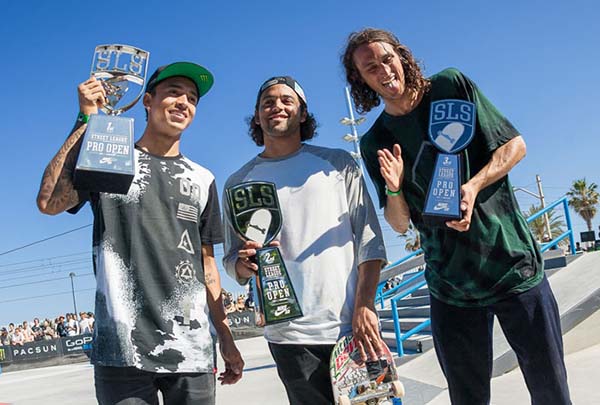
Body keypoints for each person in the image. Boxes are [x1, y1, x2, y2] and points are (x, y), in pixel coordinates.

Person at [342, 28, 571, 404]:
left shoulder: (450, 86)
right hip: (450, 286)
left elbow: (515, 146)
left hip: (512, 267)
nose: (383, 71)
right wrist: (396, 188)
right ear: (361, 80)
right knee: (467, 398)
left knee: (551, 392)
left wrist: (474, 186)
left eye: (387, 59)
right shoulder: (375, 141)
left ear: (401, 57)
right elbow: (399, 223)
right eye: (370, 68)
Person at [37, 61, 243, 404]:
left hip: (190, 349)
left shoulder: (202, 178)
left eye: (192, 98)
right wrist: (85, 120)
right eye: (174, 92)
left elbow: (207, 266)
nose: (184, 103)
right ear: (147, 100)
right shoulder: (110, 160)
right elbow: (49, 202)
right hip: (121, 350)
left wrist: (225, 334)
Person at [222, 76, 387, 404]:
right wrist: (241, 264)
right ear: (257, 116)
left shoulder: (338, 164)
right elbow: (231, 259)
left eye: (287, 100)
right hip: (288, 337)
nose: (277, 107)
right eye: (267, 102)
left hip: (349, 329)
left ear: (302, 114)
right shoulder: (239, 183)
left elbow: (370, 240)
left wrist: (365, 306)